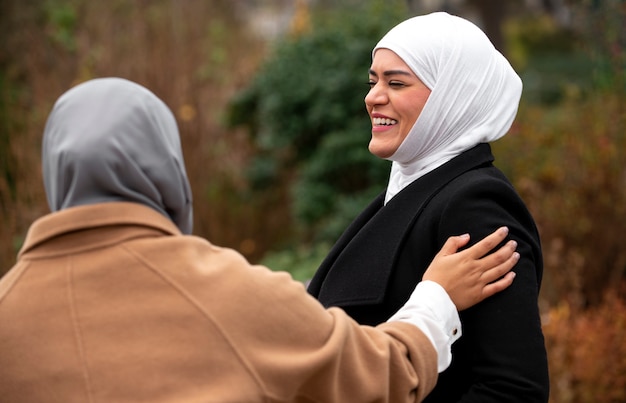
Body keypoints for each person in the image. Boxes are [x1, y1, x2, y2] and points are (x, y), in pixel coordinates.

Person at [0, 77, 519, 403]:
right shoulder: (221, 292)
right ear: (165, 168)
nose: (373, 96)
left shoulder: (8, 311)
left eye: (395, 81)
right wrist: (436, 299)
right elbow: (380, 374)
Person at [307, 11, 550, 402]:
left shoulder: (475, 206)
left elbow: (513, 389)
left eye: (396, 82)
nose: (373, 97)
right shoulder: (410, 194)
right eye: (373, 81)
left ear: (453, 96)